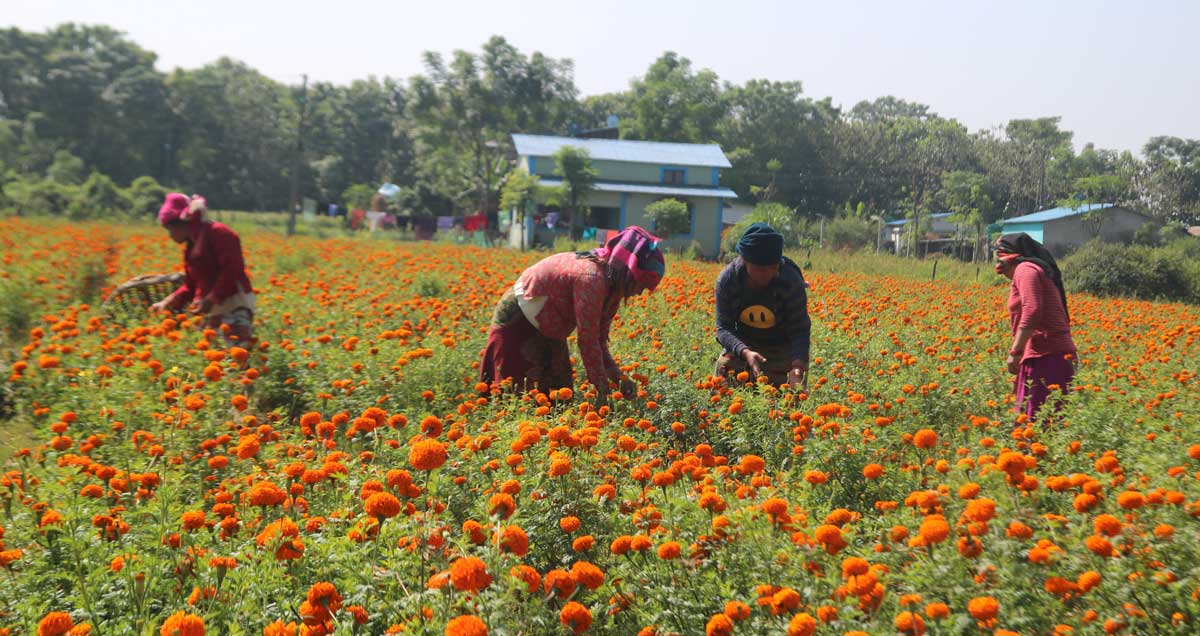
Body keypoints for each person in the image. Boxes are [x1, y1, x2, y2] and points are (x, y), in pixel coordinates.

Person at [479, 226, 665, 402]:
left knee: (558, 392)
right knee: (512, 393)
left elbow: (599, 341)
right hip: (518, 319)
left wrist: (619, 378)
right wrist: (602, 391)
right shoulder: (592, 279)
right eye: (641, 284)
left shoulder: (612, 287)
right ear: (628, 273)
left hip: (549, 325)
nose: (640, 292)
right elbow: (587, 340)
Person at [150, 193, 255, 344]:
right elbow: (190, 286)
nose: (170, 235)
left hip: (233, 305)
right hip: (212, 309)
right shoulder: (191, 247)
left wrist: (211, 298)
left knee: (232, 359)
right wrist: (166, 303)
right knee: (211, 357)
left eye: (170, 229)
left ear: (183, 223)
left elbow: (232, 270)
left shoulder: (219, 233)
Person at [714, 223, 811, 388]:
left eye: (772, 268)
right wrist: (745, 352)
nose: (767, 274)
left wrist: (796, 367)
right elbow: (723, 328)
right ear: (745, 261)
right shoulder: (729, 280)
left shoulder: (790, 281)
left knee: (793, 392)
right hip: (744, 342)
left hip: (783, 344)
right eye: (759, 269)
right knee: (723, 372)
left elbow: (800, 329)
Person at [994, 232, 1076, 421]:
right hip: (1044, 354)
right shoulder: (1030, 270)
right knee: (1038, 419)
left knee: (1039, 423)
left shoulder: (1025, 270)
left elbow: (1032, 310)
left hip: (1047, 356)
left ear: (1009, 257)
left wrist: (1015, 352)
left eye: (998, 257)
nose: (997, 265)